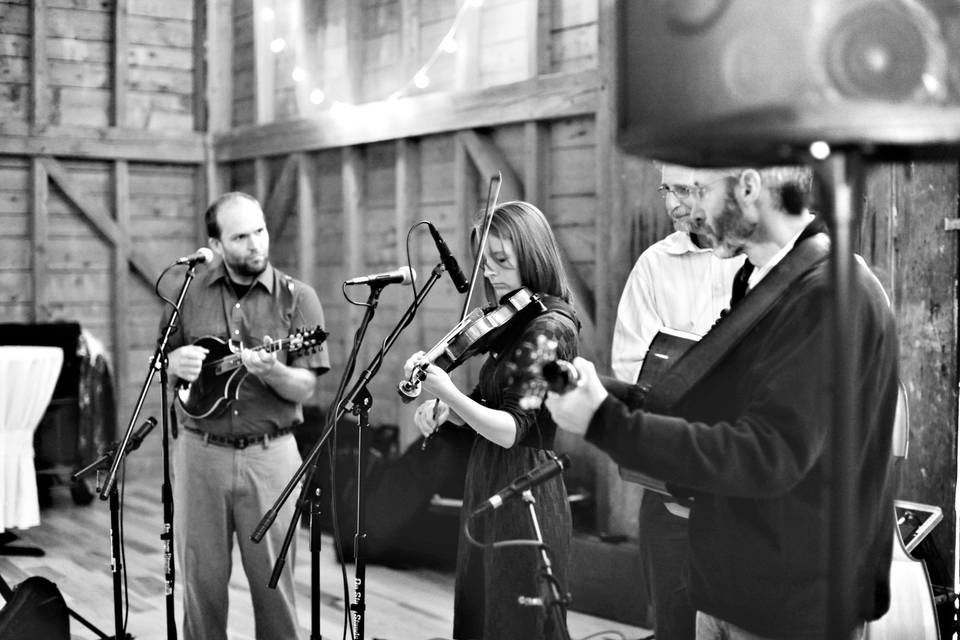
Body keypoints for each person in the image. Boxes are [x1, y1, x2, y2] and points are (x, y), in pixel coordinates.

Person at [546, 166, 898, 639]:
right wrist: (601, 392)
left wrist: (606, 422)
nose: (688, 209)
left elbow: (767, 454)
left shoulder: (830, 293)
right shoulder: (761, 279)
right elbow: (707, 407)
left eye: (700, 192)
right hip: (730, 590)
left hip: (791, 610)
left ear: (749, 188)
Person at [402, 201, 579, 640]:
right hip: (489, 478)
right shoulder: (514, 323)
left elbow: (512, 429)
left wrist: (448, 393)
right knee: (481, 615)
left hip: (526, 489)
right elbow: (490, 405)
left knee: (514, 620)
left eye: (502, 261)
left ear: (533, 257)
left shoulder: (550, 330)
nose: (490, 273)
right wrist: (448, 412)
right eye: (486, 262)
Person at [161, 192, 330, 640]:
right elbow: (163, 362)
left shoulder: (300, 299)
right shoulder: (187, 294)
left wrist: (274, 371)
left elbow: (307, 387)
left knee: (274, 587)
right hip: (199, 453)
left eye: (260, 231)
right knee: (201, 585)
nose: (256, 244)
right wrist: (173, 363)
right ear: (215, 245)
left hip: (271, 456)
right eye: (240, 237)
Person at [611, 163, 743, 640]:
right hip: (671, 500)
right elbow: (630, 370)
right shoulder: (653, 265)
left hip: (746, 505)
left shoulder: (762, 263)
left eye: (686, 189)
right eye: (666, 189)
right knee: (673, 626)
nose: (672, 205)